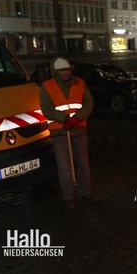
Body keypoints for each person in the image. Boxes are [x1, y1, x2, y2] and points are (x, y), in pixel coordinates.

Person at [39, 57, 96, 210]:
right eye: (62, 70)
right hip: (60, 132)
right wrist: (64, 119)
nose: (66, 73)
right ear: (56, 72)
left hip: (79, 129)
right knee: (65, 167)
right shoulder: (47, 87)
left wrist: (77, 118)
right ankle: (68, 197)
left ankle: (85, 193)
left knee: (83, 164)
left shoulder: (80, 83)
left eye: (67, 69)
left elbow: (88, 102)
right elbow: (47, 108)